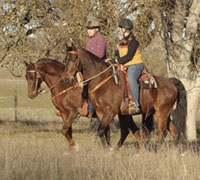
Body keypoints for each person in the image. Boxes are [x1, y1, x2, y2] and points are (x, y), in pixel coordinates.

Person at [108, 18, 144, 114]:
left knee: (131, 79)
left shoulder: (134, 41)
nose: (119, 30)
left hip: (135, 64)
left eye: (120, 28)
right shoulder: (121, 41)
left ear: (124, 29)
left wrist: (116, 60)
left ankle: (136, 105)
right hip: (124, 65)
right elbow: (121, 55)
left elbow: (129, 56)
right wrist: (113, 58)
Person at [81, 19, 107, 119]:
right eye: (88, 29)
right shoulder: (89, 40)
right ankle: (84, 106)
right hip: (90, 69)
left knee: (91, 87)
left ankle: (91, 110)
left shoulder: (100, 39)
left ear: (97, 29)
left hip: (99, 68)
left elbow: (100, 55)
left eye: (91, 29)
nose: (89, 31)